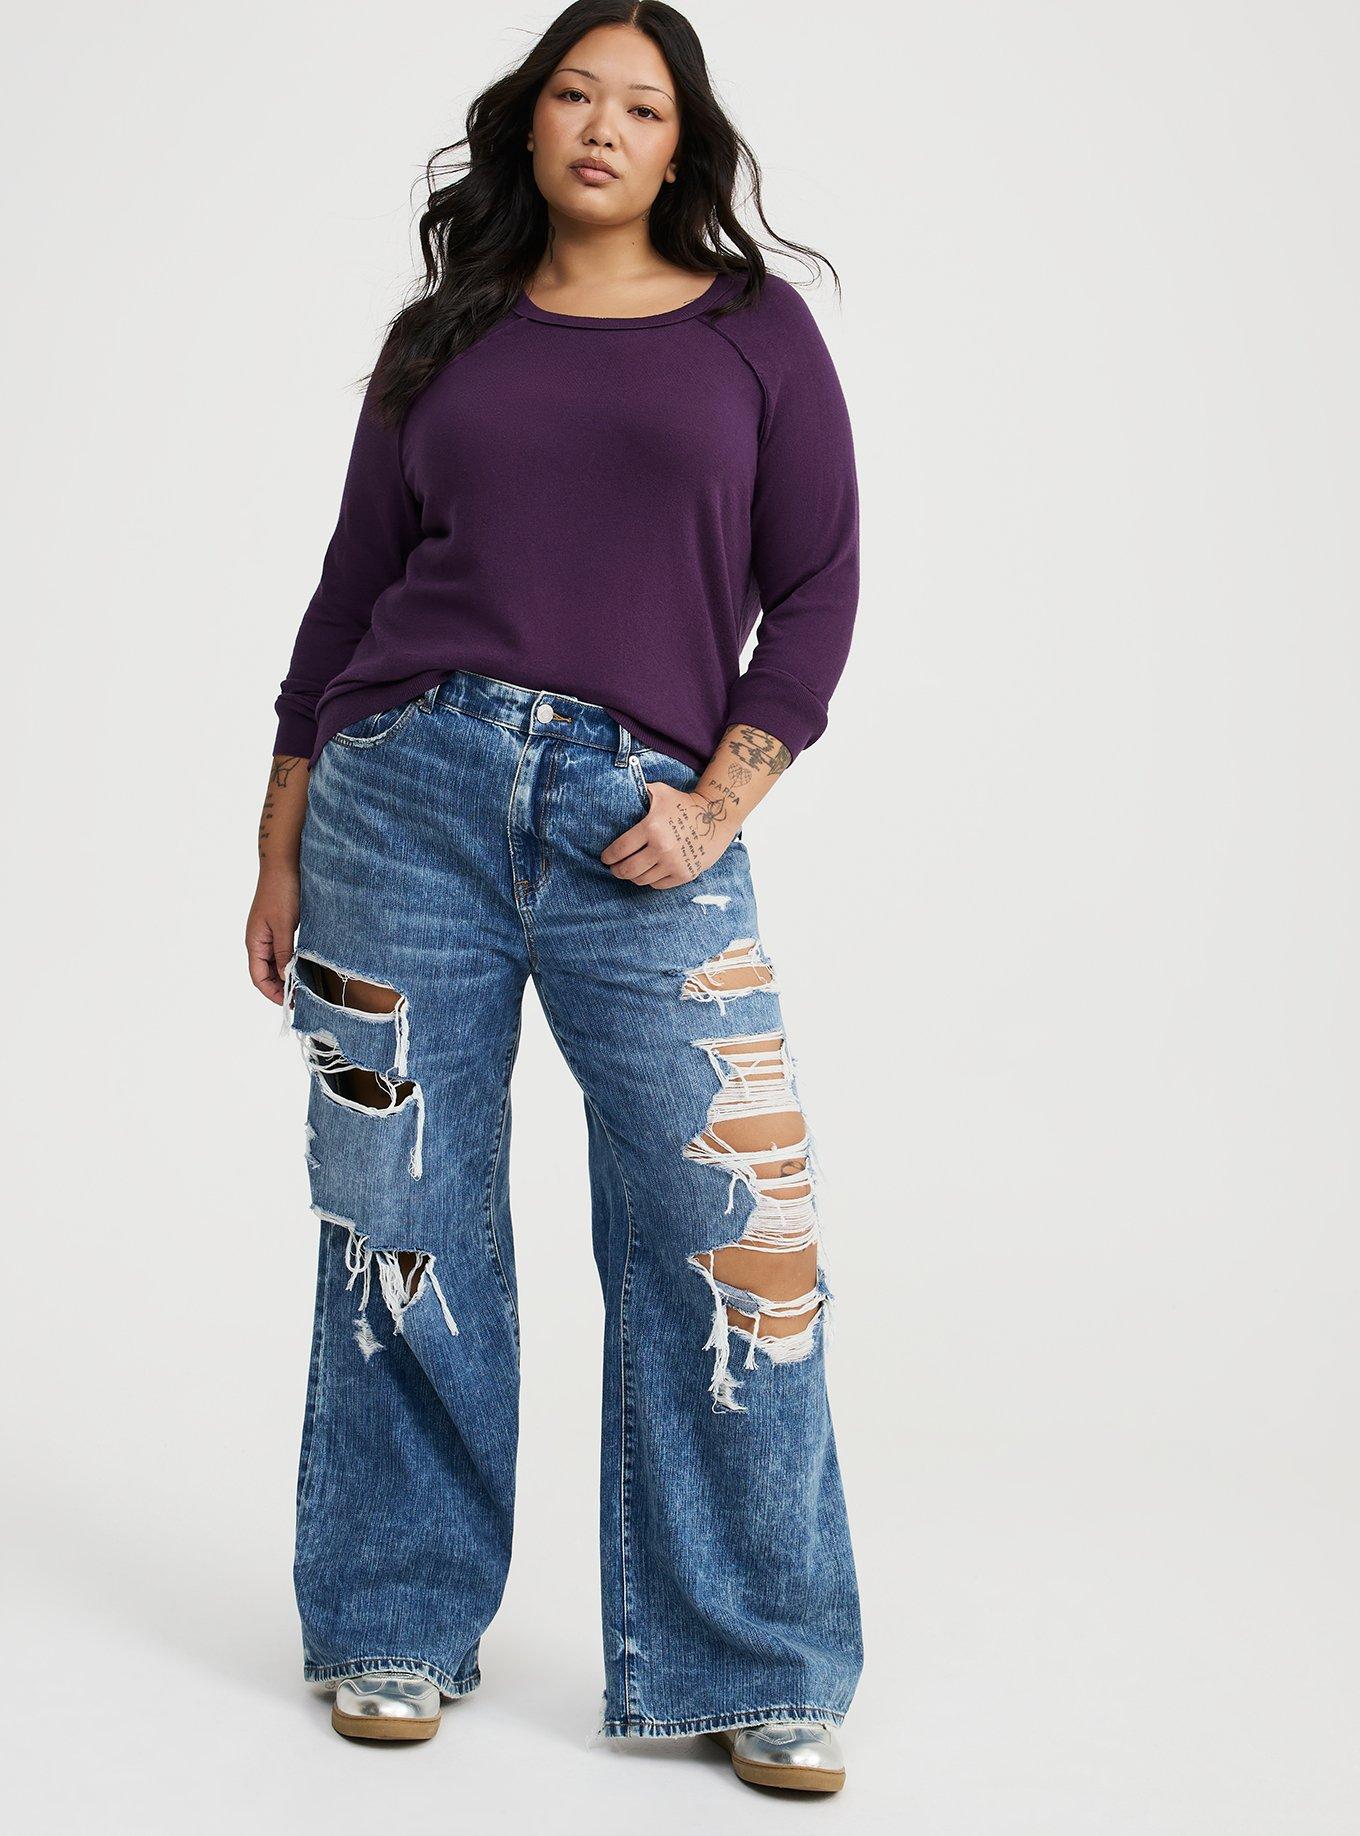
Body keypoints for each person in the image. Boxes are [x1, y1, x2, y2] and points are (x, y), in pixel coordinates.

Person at [246, 0, 863, 1795]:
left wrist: (716, 804)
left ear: (683, 146)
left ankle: (757, 1657)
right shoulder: (444, 337)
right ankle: (392, 1622)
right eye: (575, 95)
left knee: (729, 1224)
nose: (604, 125)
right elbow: (348, 591)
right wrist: (280, 834)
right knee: (402, 1216)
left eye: (643, 106)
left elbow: (818, 590)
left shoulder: (755, 332)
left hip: (634, 810)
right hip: (398, 795)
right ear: (529, 125)